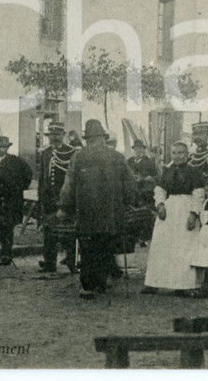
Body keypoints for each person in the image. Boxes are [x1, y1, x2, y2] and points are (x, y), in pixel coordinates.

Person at [57, 119, 133, 300]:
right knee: (106, 245)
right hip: (111, 213)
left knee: (88, 248)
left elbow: (69, 185)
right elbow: (130, 183)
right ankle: (101, 282)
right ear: (103, 138)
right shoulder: (118, 157)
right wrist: (129, 202)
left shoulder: (79, 157)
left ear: (88, 138)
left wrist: (64, 207)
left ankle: (89, 286)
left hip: (87, 212)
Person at [142, 141, 203, 295]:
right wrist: (160, 205)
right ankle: (154, 282)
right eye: (174, 153)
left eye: (181, 153)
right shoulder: (167, 171)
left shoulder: (194, 171)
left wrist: (193, 213)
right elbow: (160, 190)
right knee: (161, 244)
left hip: (186, 208)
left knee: (184, 247)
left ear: (187, 154)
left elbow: (198, 194)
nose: (177, 156)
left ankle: (183, 285)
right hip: (170, 210)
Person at [38, 122, 77, 273]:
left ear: (63, 135)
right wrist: (42, 197)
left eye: (57, 134)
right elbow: (43, 177)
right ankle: (49, 264)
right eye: (51, 135)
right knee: (49, 231)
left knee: (70, 231)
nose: (54, 137)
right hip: (49, 199)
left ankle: (72, 262)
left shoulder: (71, 152)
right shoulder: (45, 153)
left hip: (65, 198)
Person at [0, 136, 34, 266]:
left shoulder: (16, 161)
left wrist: (20, 188)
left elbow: (28, 173)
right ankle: (4, 250)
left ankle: (6, 254)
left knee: (8, 226)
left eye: (4, 147)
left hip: (11, 200)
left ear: (8, 148)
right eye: (0, 147)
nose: (2, 149)